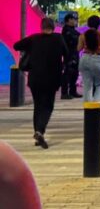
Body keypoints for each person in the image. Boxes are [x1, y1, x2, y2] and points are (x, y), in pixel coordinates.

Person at [13, 18, 67, 149]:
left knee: (38, 106)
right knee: (48, 106)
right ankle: (40, 131)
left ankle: (38, 132)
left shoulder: (34, 38)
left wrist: (29, 48)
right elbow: (67, 53)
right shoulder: (58, 38)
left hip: (35, 78)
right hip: (52, 78)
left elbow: (16, 46)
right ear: (53, 27)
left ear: (41, 26)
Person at [78, 15, 100, 103]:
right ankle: (95, 103)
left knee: (87, 86)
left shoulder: (82, 35)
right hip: (97, 59)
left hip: (85, 59)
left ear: (88, 24)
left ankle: (87, 106)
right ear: (99, 24)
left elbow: (78, 48)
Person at [60, 13, 82, 99]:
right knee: (67, 73)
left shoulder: (73, 30)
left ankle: (73, 91)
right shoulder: (66, 30)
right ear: (69, 20)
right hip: (69, 55)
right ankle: (64, 93)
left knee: (75, 73)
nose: (75, 21)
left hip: (75, 54)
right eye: (74, 19)